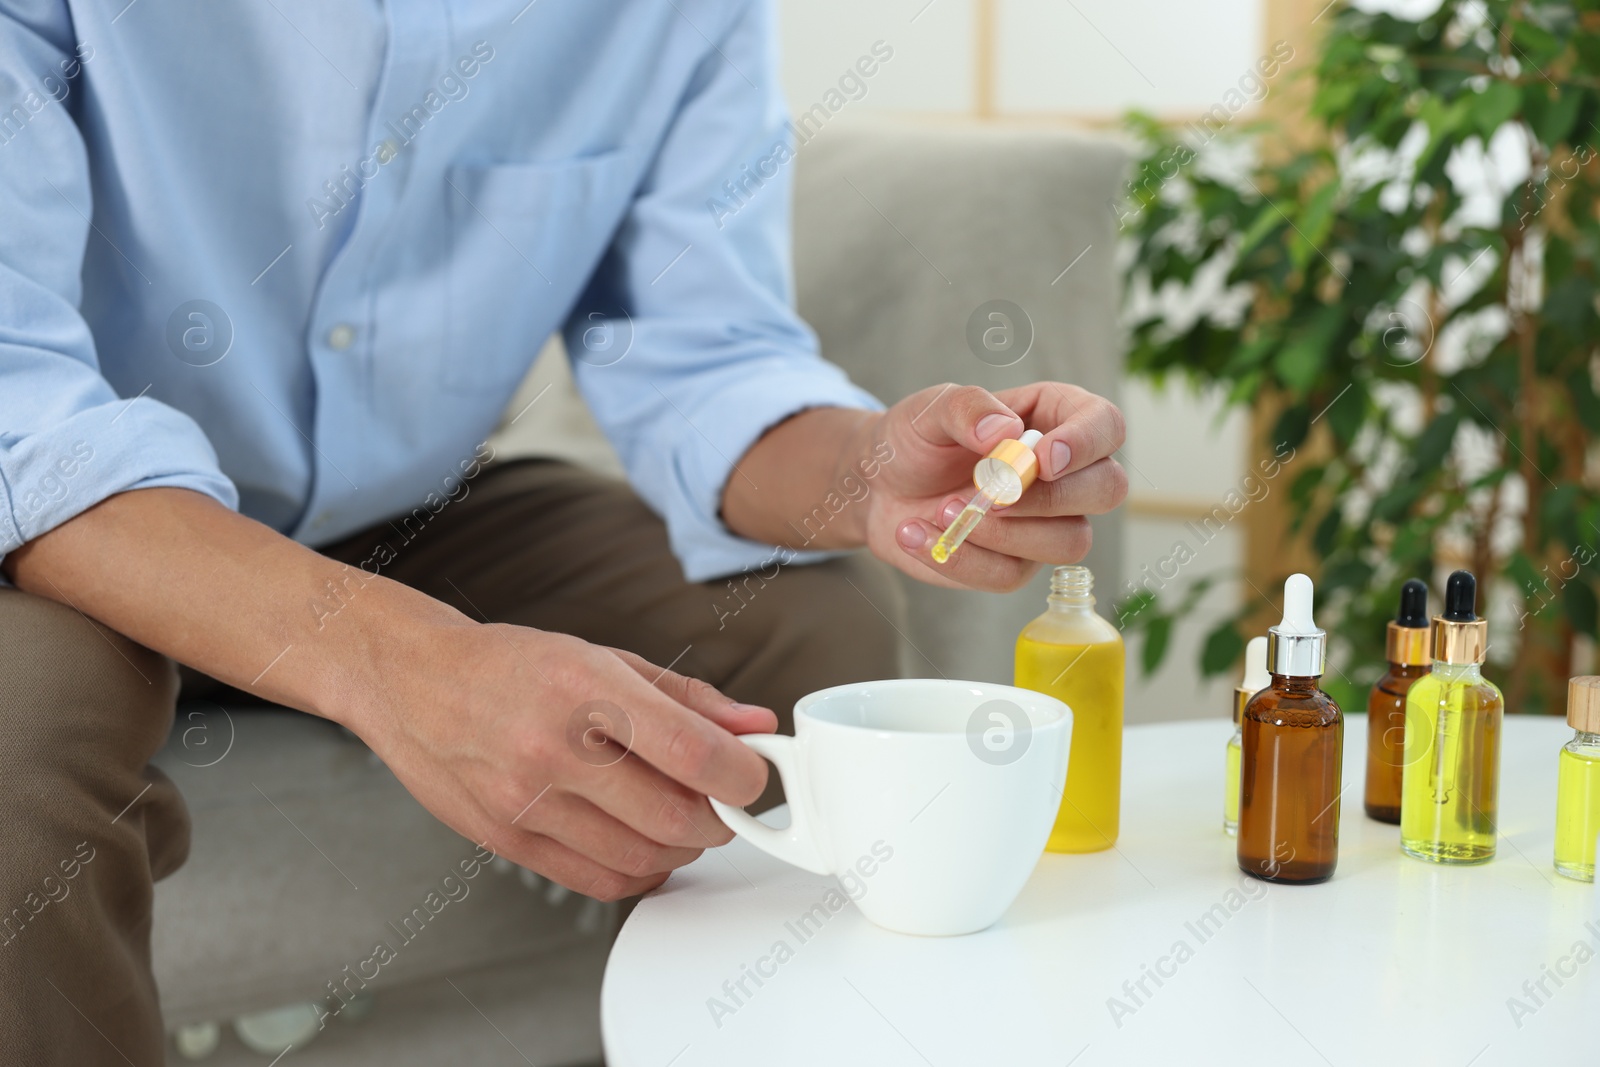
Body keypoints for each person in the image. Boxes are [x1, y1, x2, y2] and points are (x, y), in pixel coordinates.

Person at [0, 0, 1127, 1061]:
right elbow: (20, 405)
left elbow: (703, 350)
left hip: (399, 506)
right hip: (72, 526)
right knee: (18, 742)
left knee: (807, 639)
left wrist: (871, 466)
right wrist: (406, 667)